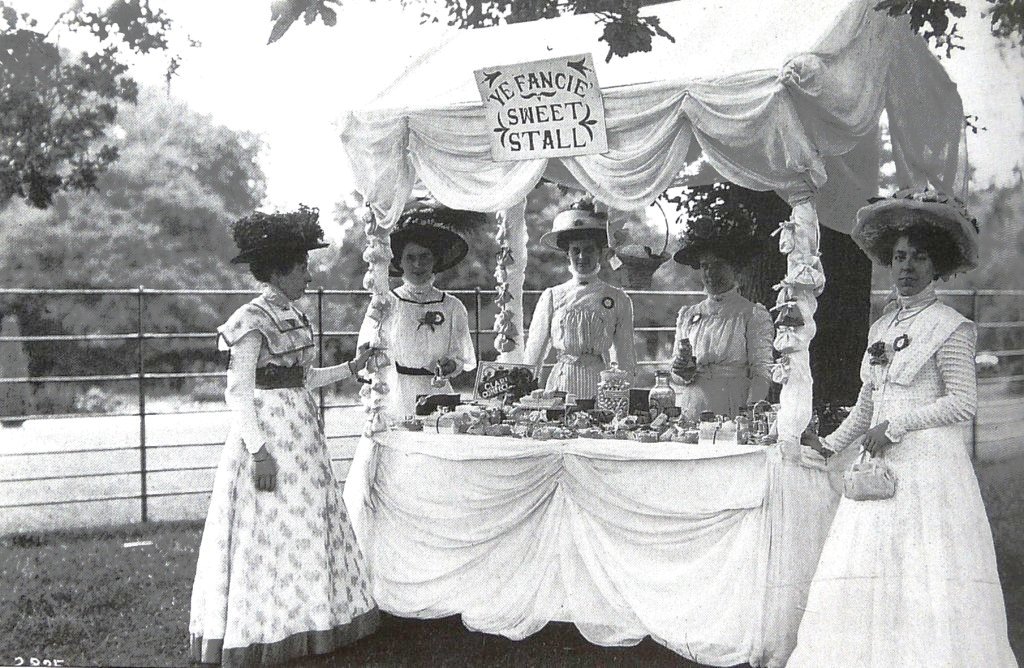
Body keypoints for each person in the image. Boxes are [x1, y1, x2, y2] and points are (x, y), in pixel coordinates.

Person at [791, 189, 1016, 667]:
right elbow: (866, 404)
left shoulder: (951, 326)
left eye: (918, 257)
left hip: (929, 471)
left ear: (936, 265)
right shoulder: (880, 328)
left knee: (924, 573)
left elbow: (963, 403)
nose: (907, 267)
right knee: (868, 570)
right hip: (879, 469)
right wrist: (828, 445)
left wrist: (899, 425)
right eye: (898, 257)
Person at [190, 206, 379, 667]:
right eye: (301, 268)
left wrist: (351, 368)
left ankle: (312, 621)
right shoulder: (250, 320)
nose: (308, 276)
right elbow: (239, 392)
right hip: (269, 437)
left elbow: (304, 377)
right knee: (270, 528)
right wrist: (258, 452)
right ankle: (266, 630)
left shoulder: (292, 314)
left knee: (306, 522)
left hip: (302, 435)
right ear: (278, 270)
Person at [358, 200, 479, 421]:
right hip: (397, 393)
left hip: (438, 393)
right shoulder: (386, 303)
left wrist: (450, 365)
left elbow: (460, 356)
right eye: (410, 258)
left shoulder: (452, 306)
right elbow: (365, 355)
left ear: (435, 261)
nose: (418, 265)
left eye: (425, 257)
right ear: (400, 262)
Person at [523, 200, 637, 400]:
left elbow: (625, 355)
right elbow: (534, 351)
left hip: (600, 385)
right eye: (576, 250)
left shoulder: (618, 299)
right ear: (568, 254)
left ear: (600, 253)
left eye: (589, 250)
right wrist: (524, 388)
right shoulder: (552, 296)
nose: (582, 257)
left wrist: (623, 397)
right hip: (561, 383)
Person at [669, 216, 774, 419]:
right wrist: (682, 371)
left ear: (734, 269)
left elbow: (761, 372)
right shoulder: (688, 315)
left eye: (717, 265)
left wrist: (750, 413)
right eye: (705, 266)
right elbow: (675, 372)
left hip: (733, 403)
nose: (710, 273)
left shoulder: (751, 314)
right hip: (694, 403)